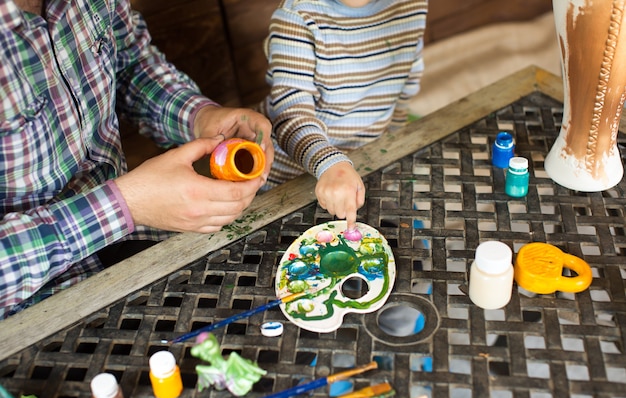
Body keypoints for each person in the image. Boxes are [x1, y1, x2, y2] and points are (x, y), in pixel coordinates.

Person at [0, 0, 274, 319]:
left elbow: (130, 64)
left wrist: (200, 117)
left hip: (134, 238)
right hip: (31, 310)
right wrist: (125, 205)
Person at [258, 0, 427, 231]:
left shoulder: (412, 6)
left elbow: (406, 84)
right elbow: (289, 114)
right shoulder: (297, 15)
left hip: (363, 161)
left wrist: (392, 143)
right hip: (289, 176)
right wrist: (331, 165)